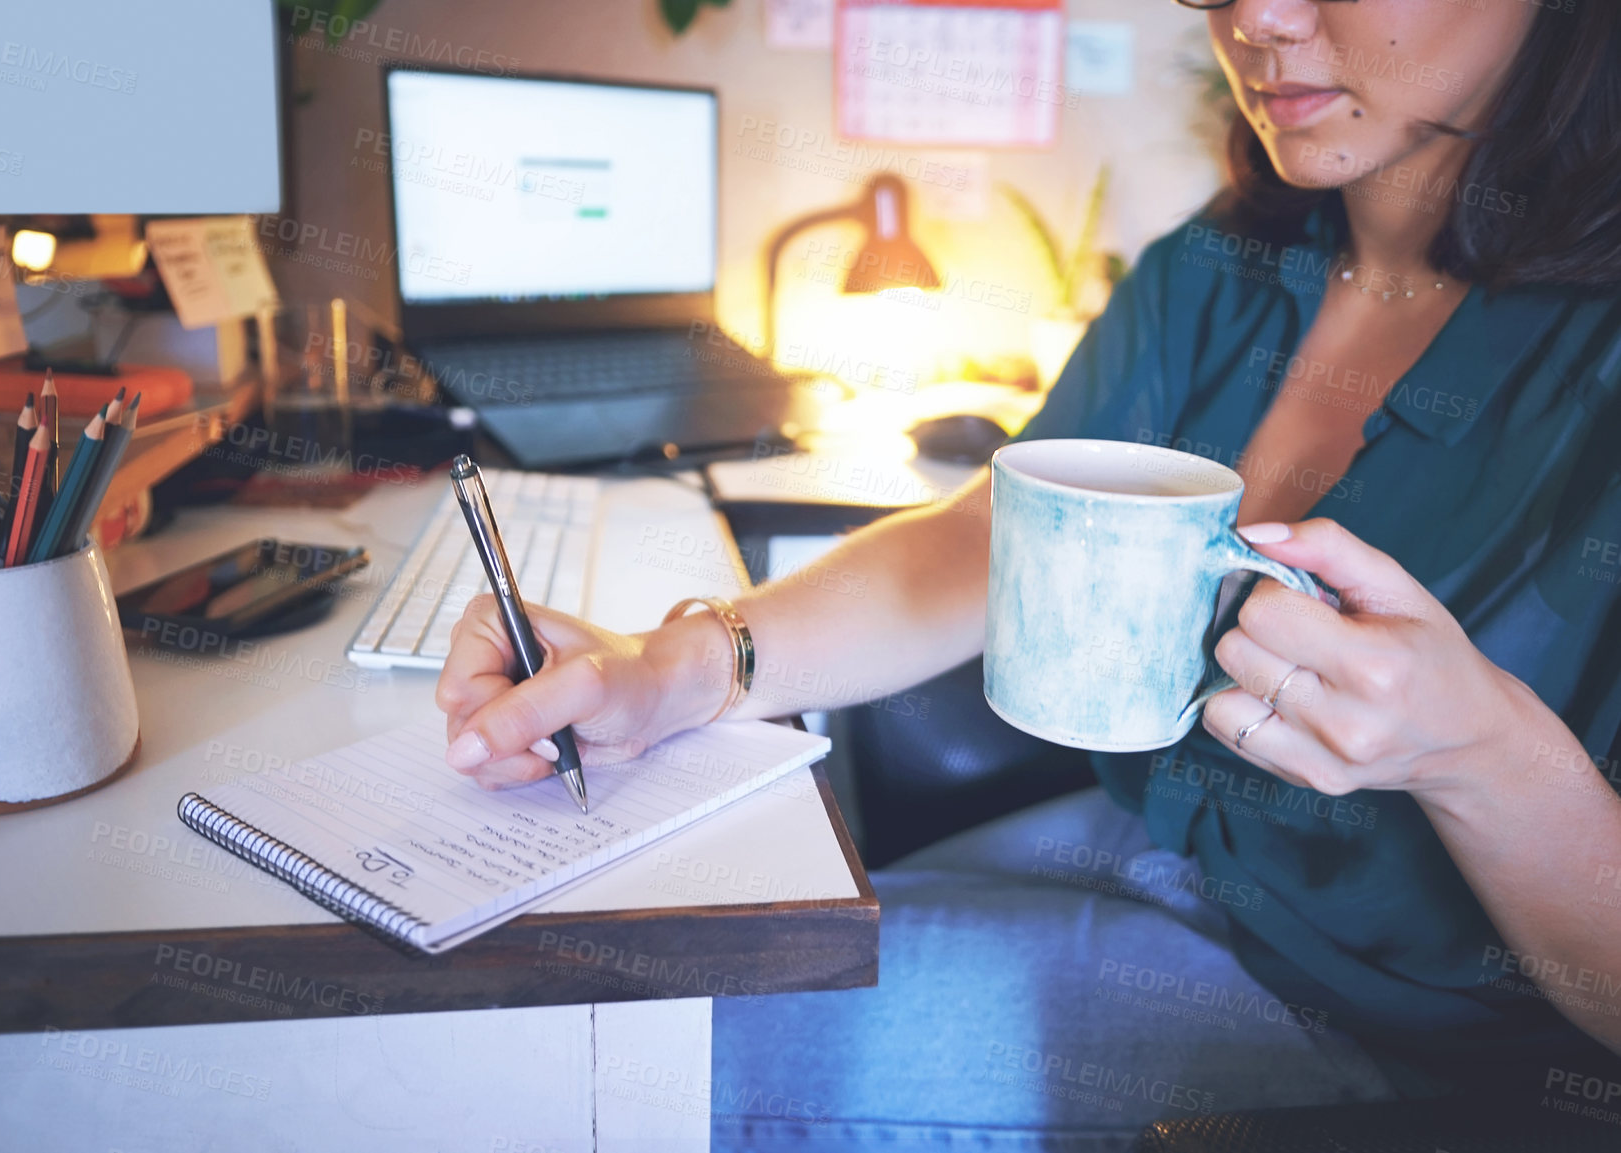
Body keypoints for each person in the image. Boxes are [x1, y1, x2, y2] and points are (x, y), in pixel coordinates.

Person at [437, 0, 1621, 1146]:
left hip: (1389, 1019)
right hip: (1158, 840)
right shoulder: (1223, 269)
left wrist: (1476, 755)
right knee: (655, 933)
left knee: (614, 1049)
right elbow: (994, 534)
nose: (1256, 19)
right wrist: (682, 666)